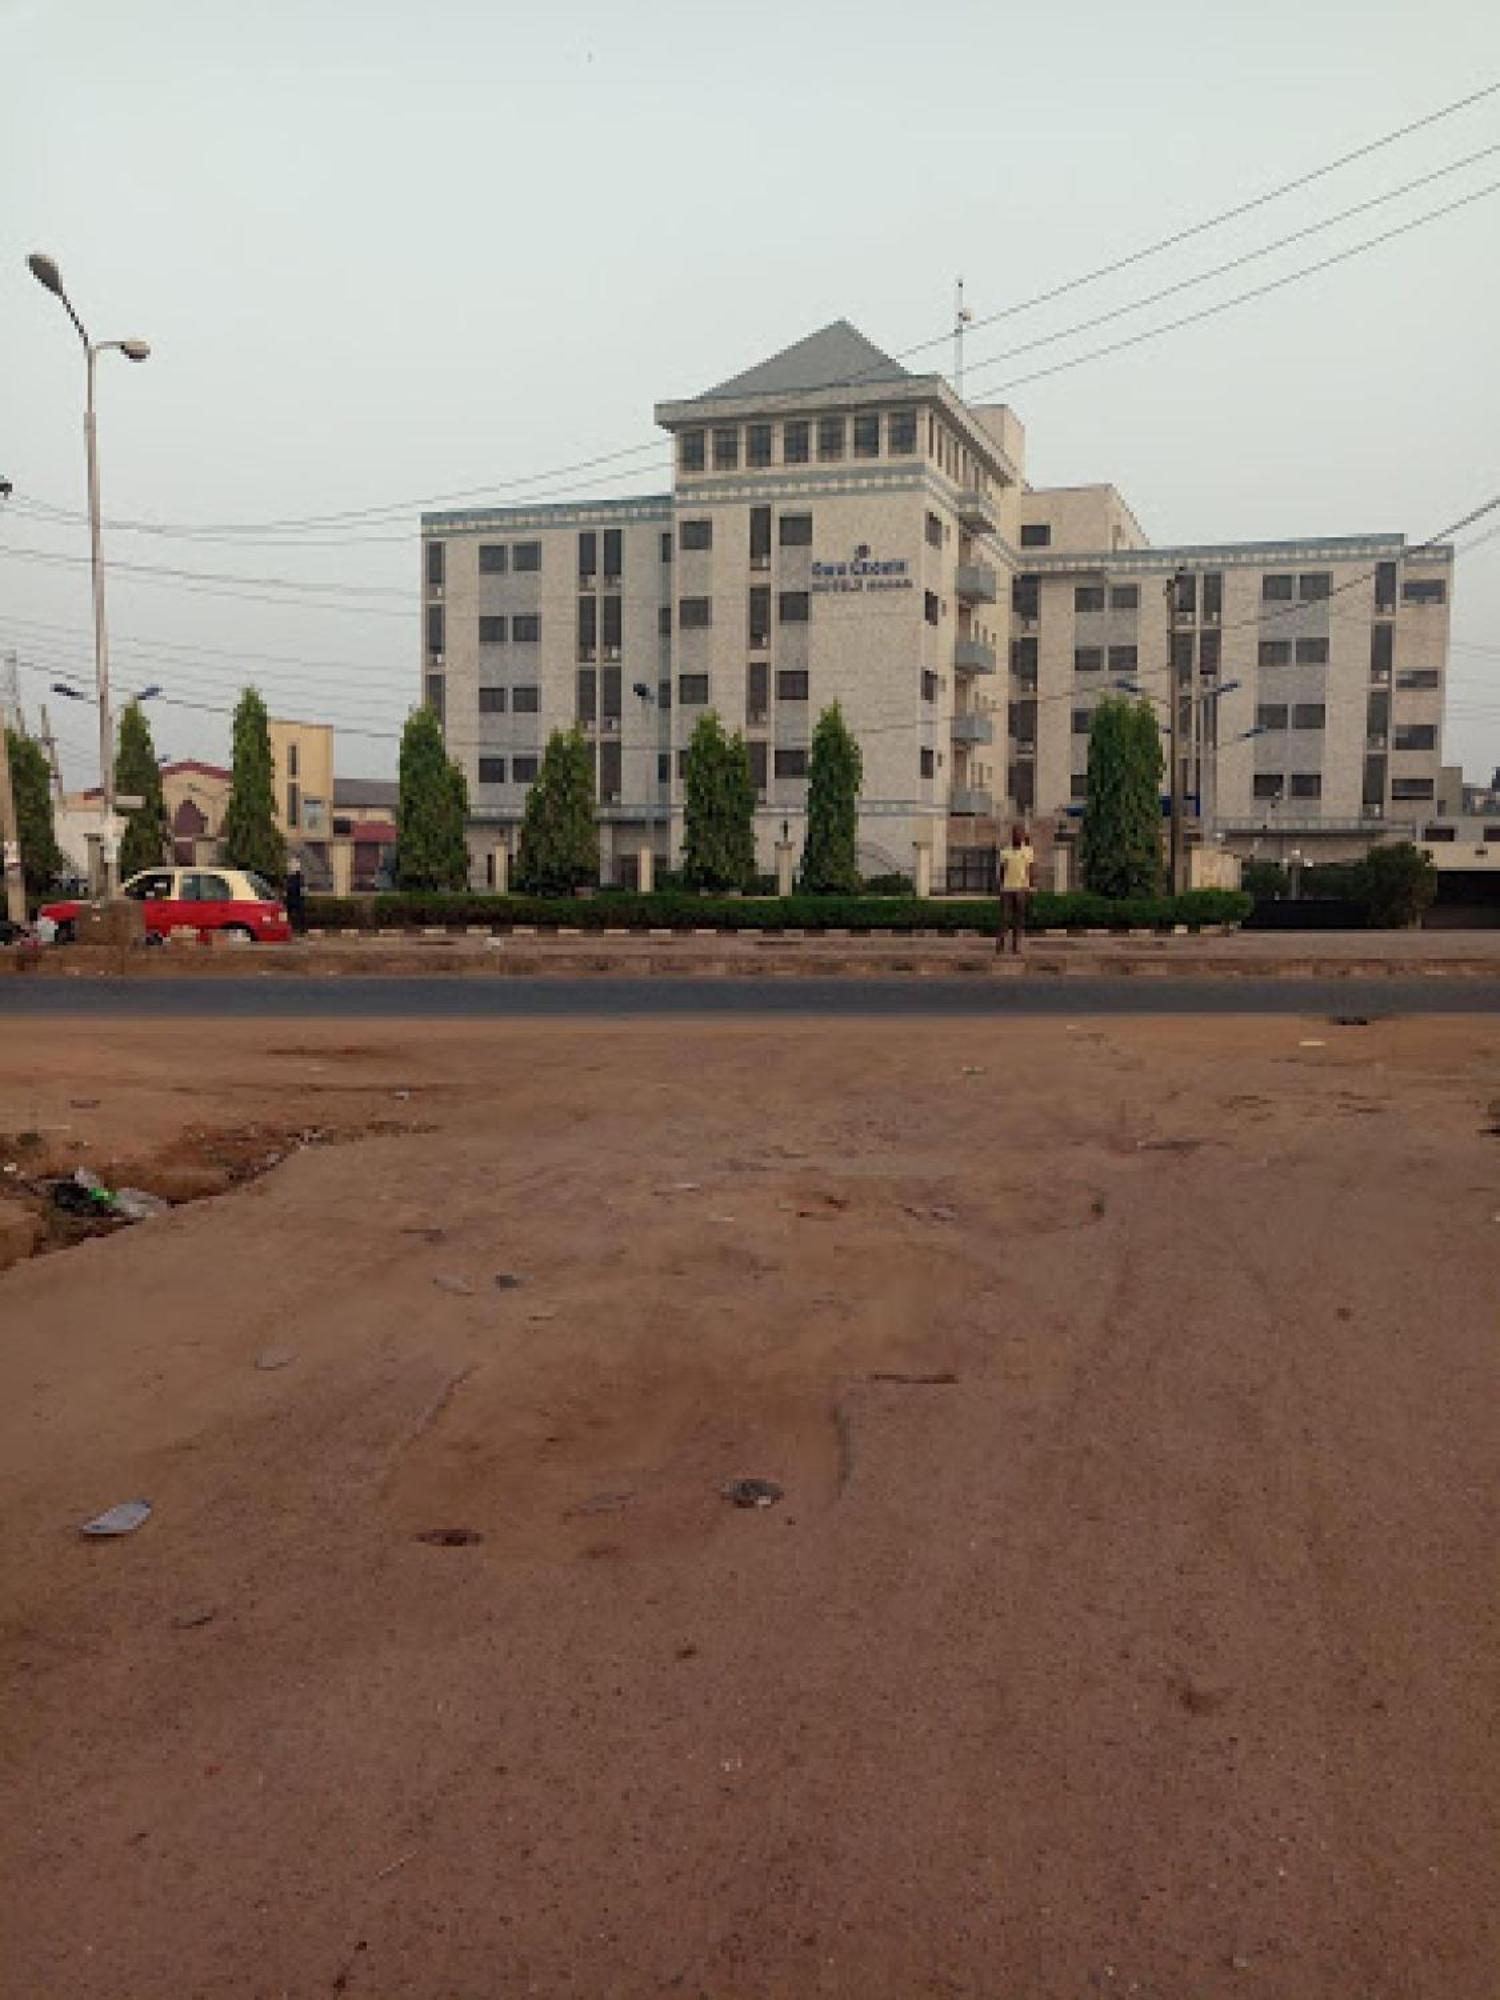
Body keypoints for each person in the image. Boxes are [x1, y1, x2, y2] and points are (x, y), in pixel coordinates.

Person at [996, 823, 1034, 955]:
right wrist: (1000, 886)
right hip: (1007, 888)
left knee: (1019, 918)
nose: (1018, 836)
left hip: (1021, 888)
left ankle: (1015, 944)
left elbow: (1030, 870)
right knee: (1005, 918)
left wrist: (1030, 887)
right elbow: (1002, 870)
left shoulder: (1028, 851)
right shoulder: (1005, 851)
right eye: (1016, 833)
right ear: (1012, 835)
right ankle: (1000, 941)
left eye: (1021, 834)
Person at [284, 853, 306, 935]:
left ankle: (301, 930)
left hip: (297, 898)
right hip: (291, 898)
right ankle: (290, 929)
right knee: (289, 915)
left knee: (300, 914)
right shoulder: (289, 878)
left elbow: (302, 889)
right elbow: (287, 888)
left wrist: (302, 897)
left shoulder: (299, 878)